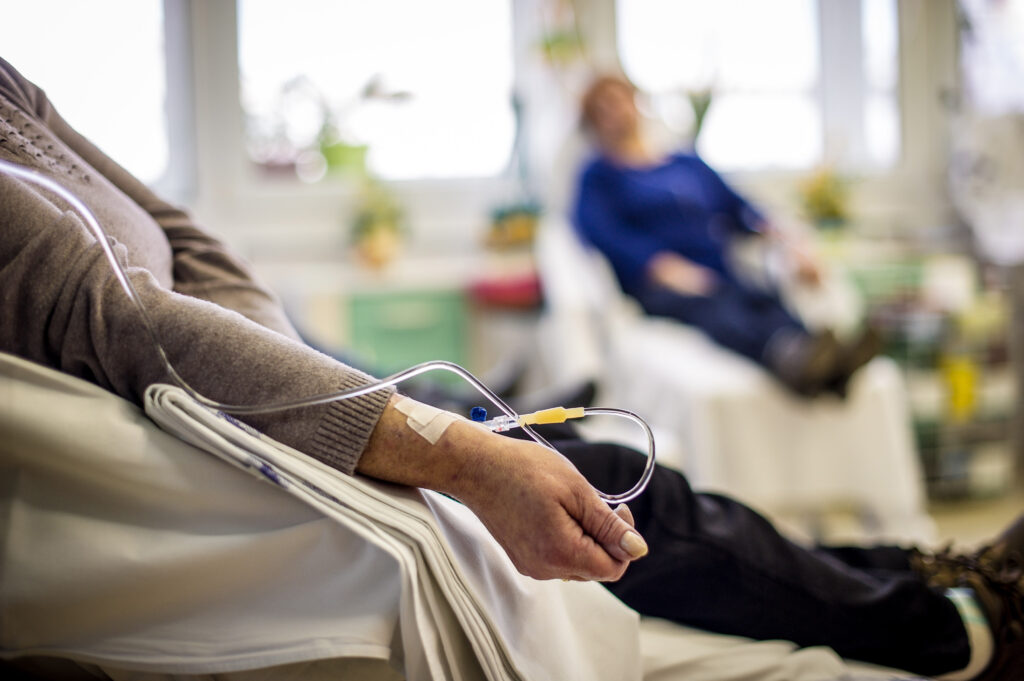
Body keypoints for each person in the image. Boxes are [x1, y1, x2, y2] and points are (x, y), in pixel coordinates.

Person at [0, 57, 1021, 680]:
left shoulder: (14, 93)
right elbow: (137, 323)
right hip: (234, 439)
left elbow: (187, 238)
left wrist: (291, 353)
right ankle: (940, 624)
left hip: (280, 377)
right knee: (623, 486)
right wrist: (462, 458)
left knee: (615, 449)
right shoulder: (600, 186)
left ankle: (914, 571)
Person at [572, 74, 880, 398]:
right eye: (602, 108)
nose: (615, 112)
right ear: (593, 122)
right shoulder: (598, 176)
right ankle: (791, 360)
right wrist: (660, 267)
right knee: (718, 308)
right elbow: (601, 233)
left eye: (619, 100)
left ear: (636, 103)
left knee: (763, 298)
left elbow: (742, 209)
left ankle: (828, 361)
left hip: (719, 270)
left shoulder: (686, 163)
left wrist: (789, 243)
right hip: (660, 286)